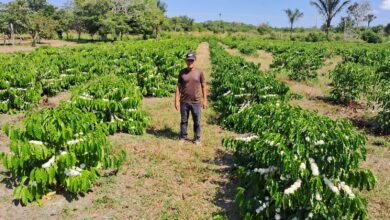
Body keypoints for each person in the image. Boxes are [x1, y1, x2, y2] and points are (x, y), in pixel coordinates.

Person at [175, 52, 207, 145]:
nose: (190, 62)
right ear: (186, 61)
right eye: (188, 60)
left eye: (191, 60)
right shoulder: (182, 72)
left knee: (197, 121)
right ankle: (183, 137)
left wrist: (205, 100)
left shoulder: (199, 72)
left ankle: (197, 138)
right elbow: (178, 87)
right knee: (184, 120)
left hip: (196, 101)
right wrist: (176, 101)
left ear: (194, 61)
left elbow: (204, 86)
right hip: (184, 101)